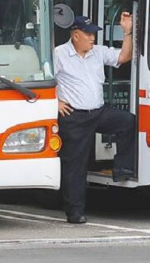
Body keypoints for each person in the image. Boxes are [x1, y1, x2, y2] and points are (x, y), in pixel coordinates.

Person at [55, 14, 137, 224]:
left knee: (127, 121)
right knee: (76, 166)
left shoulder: (98, 52)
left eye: (94, 34)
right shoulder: (59, 54)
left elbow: (124, 57)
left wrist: (127, 32)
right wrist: (55, 102)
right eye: (88, 34)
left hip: (98, 112)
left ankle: (122, 168)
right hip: (74, 117)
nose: (92, 38)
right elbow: (43, 78)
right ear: (75, 35)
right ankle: (74, 212)